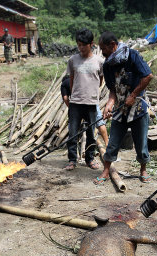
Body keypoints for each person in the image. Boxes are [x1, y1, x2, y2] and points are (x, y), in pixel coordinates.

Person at [95, 31, 153, 184]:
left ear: (113, 45)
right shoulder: (108, 65)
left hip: (138, 108)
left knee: (141, 143)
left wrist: (133, 95)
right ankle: (106, 170)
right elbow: (113, 90)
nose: (102, 53)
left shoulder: (132, 56)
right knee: (113, 141)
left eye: (103, 49)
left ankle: (143, 169)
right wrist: (109, 105)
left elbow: (148, 76)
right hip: (120, 108)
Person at [65, 28, 104, 170]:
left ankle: (90, 159)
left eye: (83, 45)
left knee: (91, 134)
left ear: (91, 44)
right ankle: (72, 160)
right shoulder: (73, 60)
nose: (80, 48)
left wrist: (91, 92)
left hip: (91, 102)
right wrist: (74, 94)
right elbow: (71, 80)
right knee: (72, 133)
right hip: (75, 102)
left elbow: (100, 80)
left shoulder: (99, 61)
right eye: (78, 44)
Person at [61, 74, 109, 146]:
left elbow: (65, 98)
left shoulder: (64, 84)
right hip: (91, 102)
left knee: (73, 127)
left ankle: (74, 149)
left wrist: (71, 108)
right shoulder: (80, 79)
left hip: (76, 105)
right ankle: (107, 143)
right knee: (99, 122)